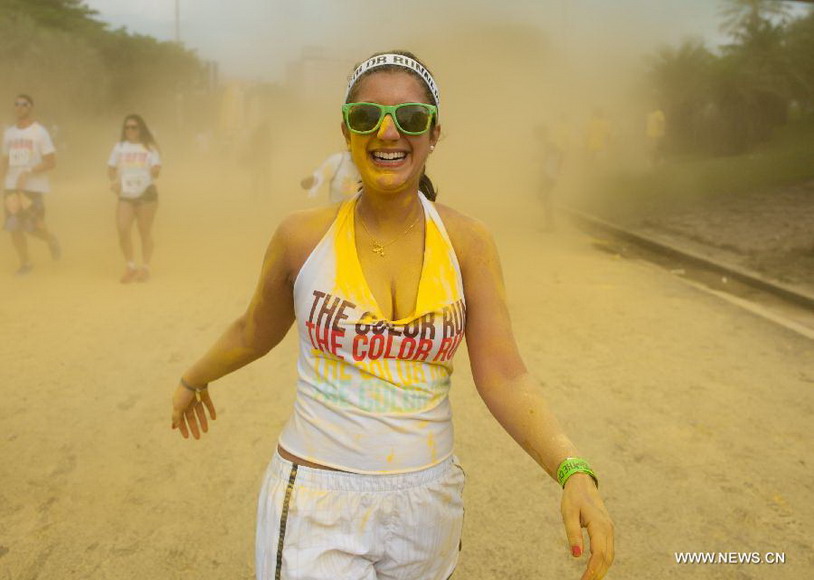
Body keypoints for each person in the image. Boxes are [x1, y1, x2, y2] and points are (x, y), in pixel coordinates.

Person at [171, 50, 614, 580]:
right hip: (317, 499)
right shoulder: (301, 237)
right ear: (345, 129)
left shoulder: (468, 242)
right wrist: (193, 378)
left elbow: (503, 372)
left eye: (410, 119)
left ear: (433, 134)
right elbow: (252, 331)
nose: (387, 133)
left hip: (428, 503)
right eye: (366, 117)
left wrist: (571, 469)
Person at [1, 94, 60, 275]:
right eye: (17, 104)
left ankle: (50, 239)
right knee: (14, 226)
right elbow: (4, 160)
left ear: (31, 107)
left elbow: (50, 162)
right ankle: (25, 262)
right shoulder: (9, 133)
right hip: (11, 186)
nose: (20, 107)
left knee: (33, 227)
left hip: (33, 187)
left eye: (24, 104)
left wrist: (29, 171)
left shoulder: (39, 132)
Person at [106, 114, 161, 283]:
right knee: (122, 228)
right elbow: (111, 169)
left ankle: (145, 267)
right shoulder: (119, 147)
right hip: (126, 194)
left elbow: (157, 169)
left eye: (134, 127)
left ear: (141, 129)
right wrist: (114, 182)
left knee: (144, 231)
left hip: (146, 194)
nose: (130, 130)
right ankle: (130, 265)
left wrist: (154, 171)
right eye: (127, 127)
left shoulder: (150, 148)